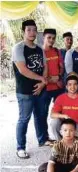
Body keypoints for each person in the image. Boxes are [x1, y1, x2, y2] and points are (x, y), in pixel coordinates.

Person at [12, 20, 50, 158]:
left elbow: (45, 67)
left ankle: (42, 140)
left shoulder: (40, 48)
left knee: (40, 116)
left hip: (40, 89)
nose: (32, 33)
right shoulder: (18, 48)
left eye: (34, 30)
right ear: (24, 31)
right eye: (29, 30)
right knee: (24, 119)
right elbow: (23, 70)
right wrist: (41, 79)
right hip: (25, 91)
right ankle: (20, 147)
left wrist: (42, 84)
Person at [50, 75, 78, 140]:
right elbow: (52, 115)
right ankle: (61, 143)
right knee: (54, 122)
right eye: (70, 84)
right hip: (64, 125)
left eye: (75, 84)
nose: (72, 87)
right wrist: (64, 116)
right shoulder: (60, 98)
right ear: (66, 87)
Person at [43, 28, 65, 124]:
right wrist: (51, 79)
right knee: (43, 114)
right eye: (49, 37)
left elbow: (62, 67)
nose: (51, 40)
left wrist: (59, 77)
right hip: (45, 87)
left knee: (60, 112)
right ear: (44, 37)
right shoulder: (40, 52)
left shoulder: (56, 51)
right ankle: (44, 137)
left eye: (53, 38)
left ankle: (62, 135)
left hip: (58, 87)